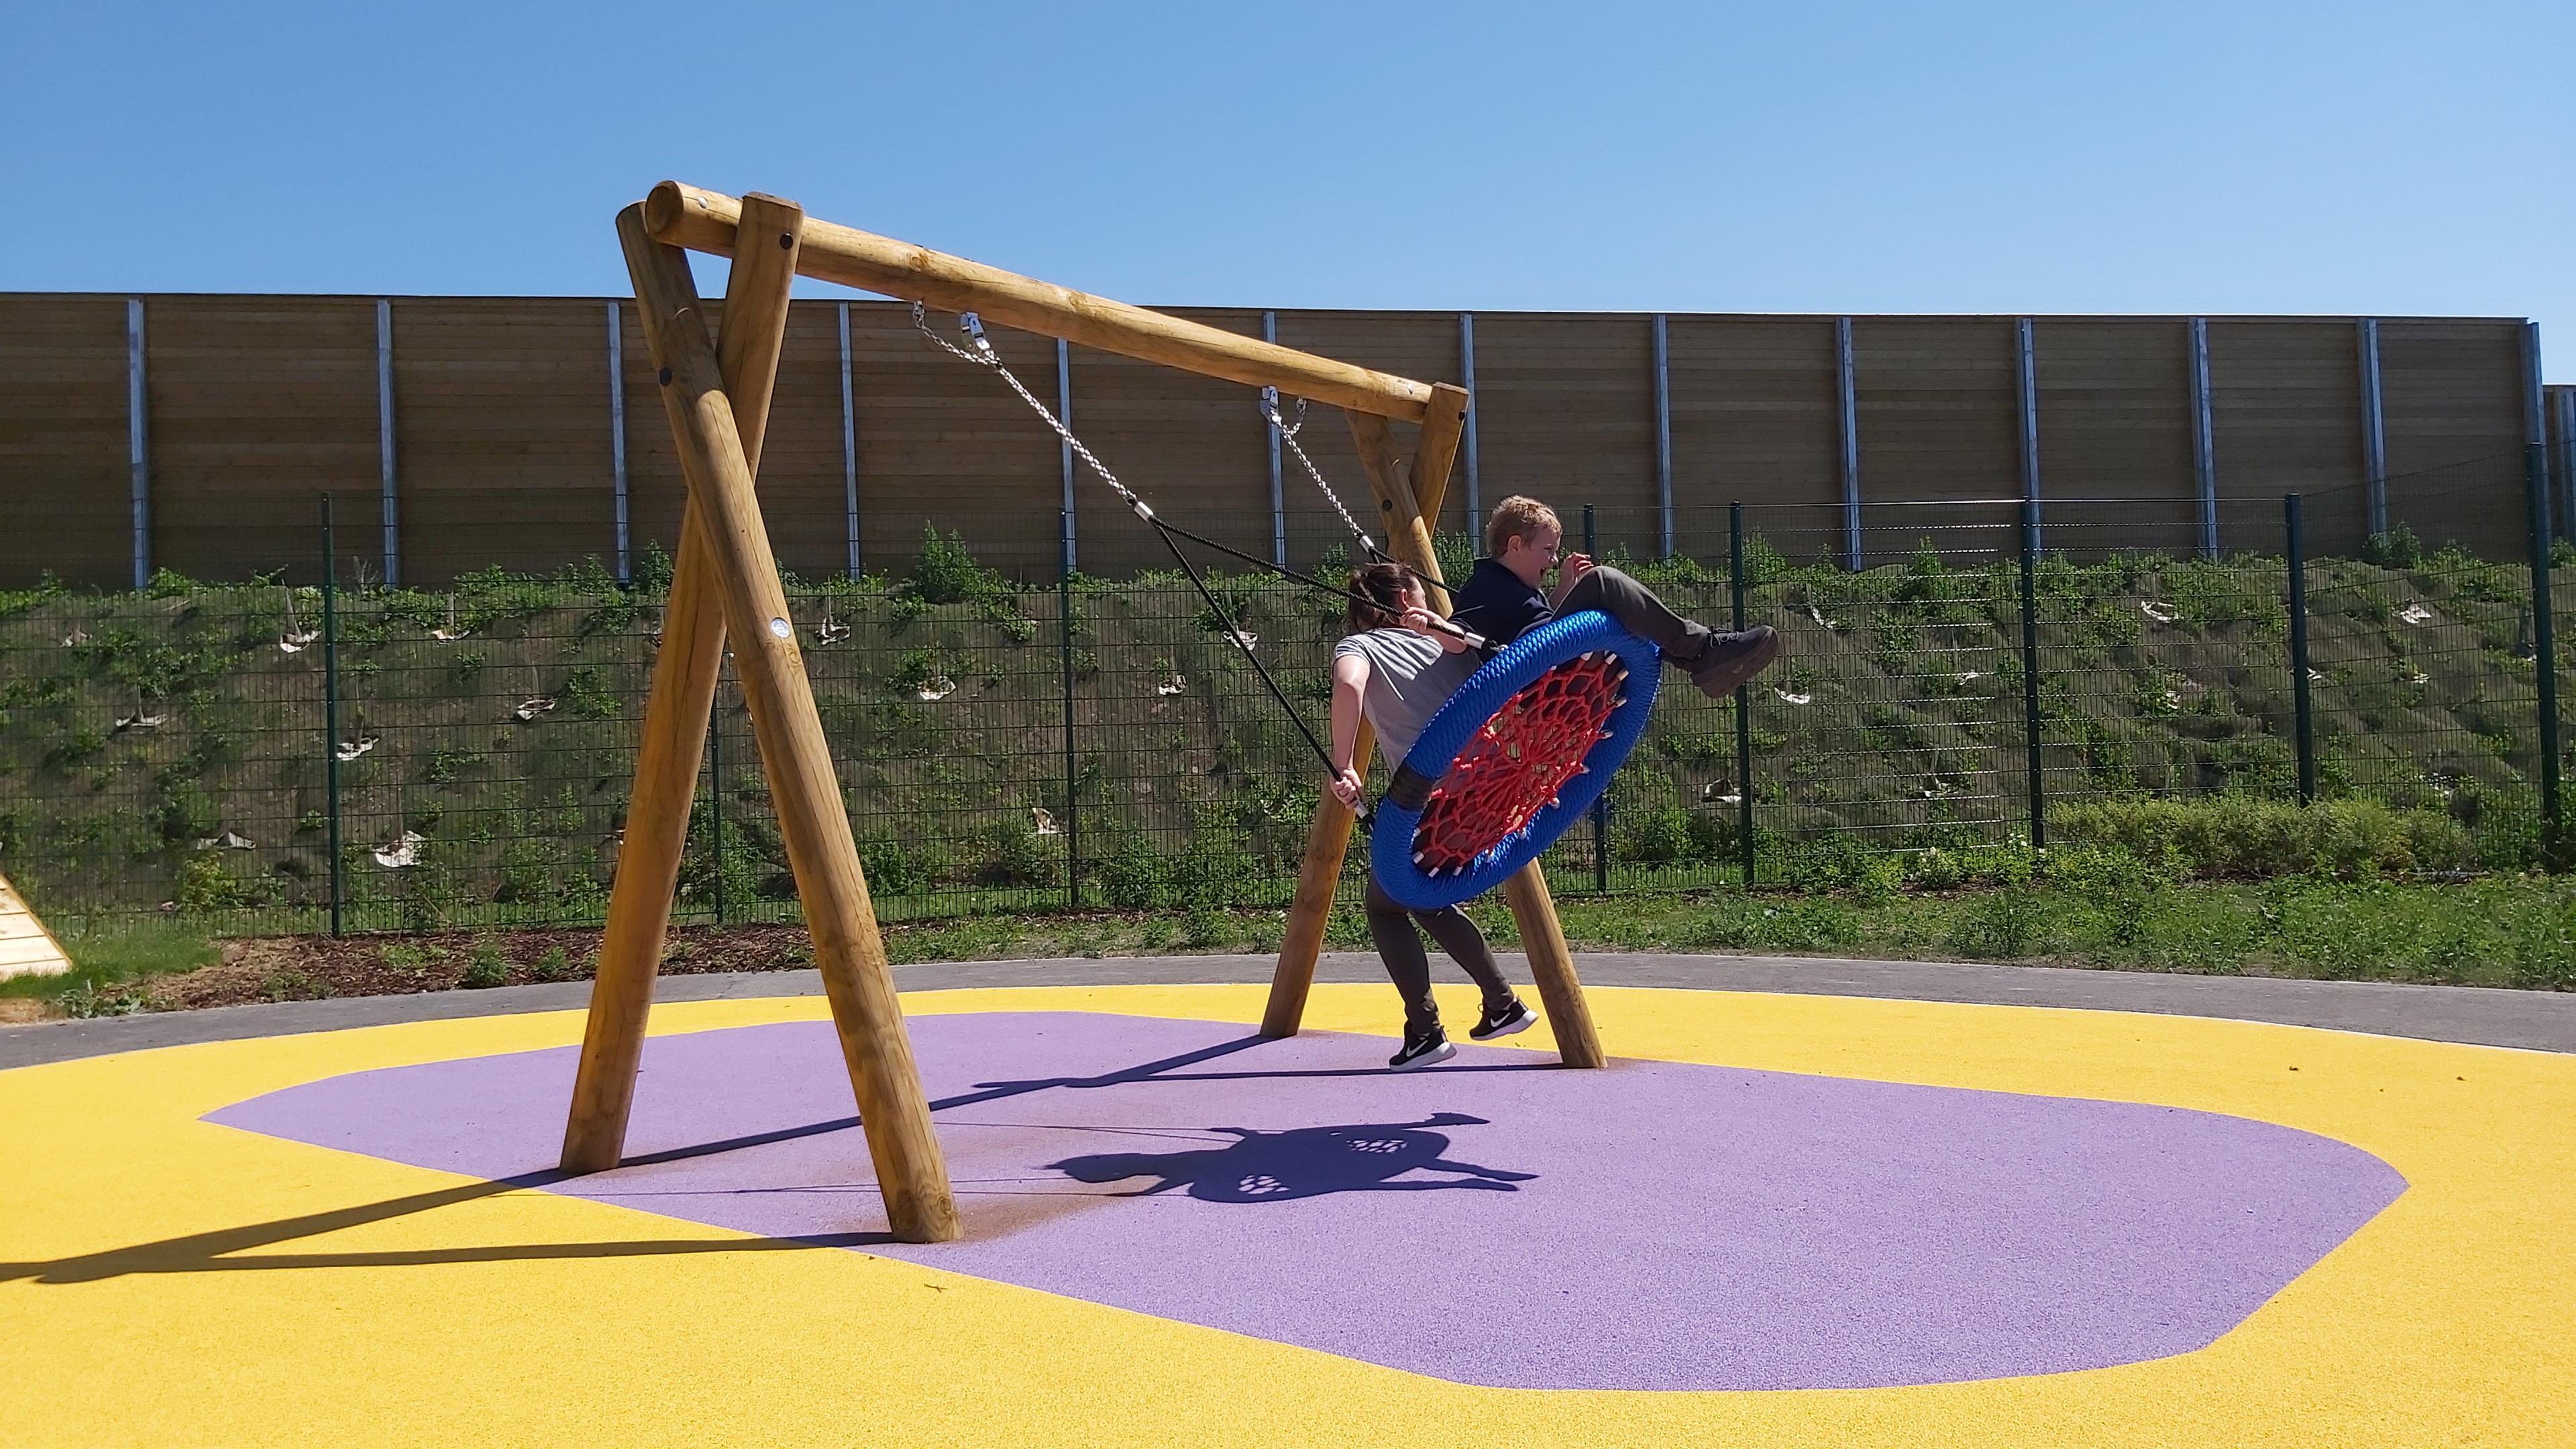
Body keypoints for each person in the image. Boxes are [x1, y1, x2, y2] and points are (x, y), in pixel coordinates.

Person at [1328, 563, 1536, 1070]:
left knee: (1384, 907)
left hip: (1438, 799)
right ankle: (1500, 1003)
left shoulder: (1360, 648)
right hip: (1496, 790)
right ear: (1406, 601)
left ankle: (1426, 1029)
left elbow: (1348, 686)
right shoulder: (1454, 642)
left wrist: (1344, 764)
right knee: (1424, 898)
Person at [1450, 495, 1782, 697]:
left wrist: (1566, 585)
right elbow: (1456, 634)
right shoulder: (1487, 583)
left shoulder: (1518, 587)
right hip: (1540, 676)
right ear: (1515, 546)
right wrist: (1430, 624)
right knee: (1603, 582)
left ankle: (1700, 660)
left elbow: (1536, 620)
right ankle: (1700, 649)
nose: (1553, 560)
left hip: (1557, 665)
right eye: (1548, 550)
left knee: (1616, 608)